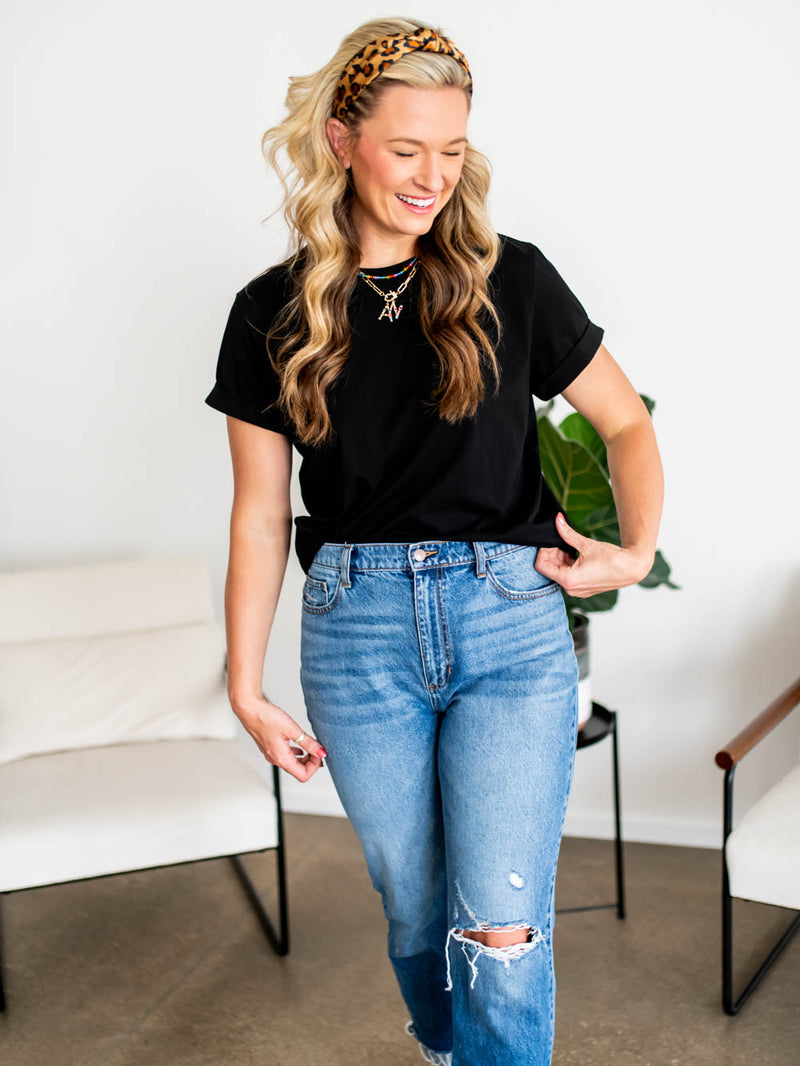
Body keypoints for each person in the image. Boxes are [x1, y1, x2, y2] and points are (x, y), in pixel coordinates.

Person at [204, 16, 663, 1066]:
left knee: (499, 915)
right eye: (405, 149)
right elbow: (258, 513)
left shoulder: (515, 280)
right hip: (353, 632)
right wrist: (244, 683)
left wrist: (631, 550)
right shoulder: (268, 313)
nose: (430, 178)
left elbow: (624, 420)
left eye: (450, 152)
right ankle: (451, 1048)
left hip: (506, 620)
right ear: (340, 138)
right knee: (414, 906)